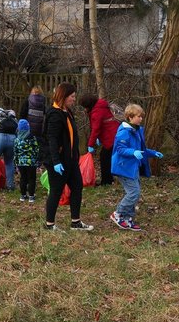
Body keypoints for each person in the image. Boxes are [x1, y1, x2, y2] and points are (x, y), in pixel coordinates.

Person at [44, 83, 94, 231]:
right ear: (64, 96)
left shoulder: (67, 111)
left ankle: (76, 222)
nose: (74, 99)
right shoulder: (54, 113)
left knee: (77, 187)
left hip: (71, 160)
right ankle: (49, 224)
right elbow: (51, 139)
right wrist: (56, 161)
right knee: (56, 191)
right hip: (58, 161)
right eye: (72, 96)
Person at [110, 103, 163, 232]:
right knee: (134, 193)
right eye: (139, 116)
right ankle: (117, 214)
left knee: (135, 193)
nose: (141, 119)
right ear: (130, 117)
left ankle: (128, 219)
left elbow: (140, 149)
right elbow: (120, 149)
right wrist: (133, 152)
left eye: (141, 116)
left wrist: (152, 153)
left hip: (133, 167)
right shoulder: (124, 132)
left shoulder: (137, 130)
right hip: (123, 167)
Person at [79, 93, 120, 186]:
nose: (84, 109)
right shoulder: (100, 106)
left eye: (85, 107)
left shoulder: (97, 112)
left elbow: (96, 129)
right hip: (114, 134)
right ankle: (109, 179)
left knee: (104, 158)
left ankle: (107, 181)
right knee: (106, 157)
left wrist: (90, 144)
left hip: (111, 137)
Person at [19, 85, 47, 163]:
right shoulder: (43, 102)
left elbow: (22, 113)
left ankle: (28, 161)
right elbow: (46, 113)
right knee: (38, 146)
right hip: (39, 128)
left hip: (29, 128)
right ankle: (38, 163)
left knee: (27, 146)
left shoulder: (28, 100)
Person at [14, 119, 40, 203]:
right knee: (32, 178)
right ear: (28, 128)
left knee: (23, 178)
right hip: (31, 162)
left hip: (21, 163)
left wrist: (16, 163)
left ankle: (23, 195)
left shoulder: (17, 140)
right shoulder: (32, 138)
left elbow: (15, 152)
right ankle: (31, 196)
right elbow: (36, 149)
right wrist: (36, 160)